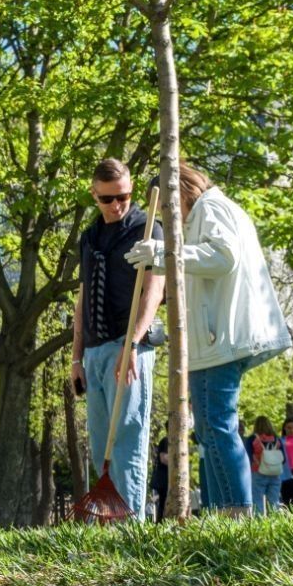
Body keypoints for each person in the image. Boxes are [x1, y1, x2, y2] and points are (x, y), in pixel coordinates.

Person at [126, 164, 290, 516]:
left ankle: (235, 514)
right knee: (210, 432)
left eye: (170, 208)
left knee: (216, 426)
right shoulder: (210, 211)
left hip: (220, 339)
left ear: (180, 191)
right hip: (215, 339)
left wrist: (163, 252)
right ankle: (220, 513)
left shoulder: (210, 208)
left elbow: (223, 257)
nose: (172, 218)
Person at [72, 158, 165, 521]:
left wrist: (133, 343)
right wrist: (76, 358)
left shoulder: (147, 229)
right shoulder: (89, 237)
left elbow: (154, 292)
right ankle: (112, 525)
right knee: (101, 447)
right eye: (108, 199)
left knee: (126, 441)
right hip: (93, 352)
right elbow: (81, 300)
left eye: (123, 196)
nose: (117, 205)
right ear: (94, 195)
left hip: (130, 348)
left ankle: (132, 529)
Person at [248, 416, 284, 516]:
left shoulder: (252, 439)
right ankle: (275, 523)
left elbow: (247, 456)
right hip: (275, 473)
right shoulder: (276, 439)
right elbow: (283, 458)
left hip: (258, 472)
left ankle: (259, 525)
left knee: (257, 501)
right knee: (274, 501)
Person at [150, 434, 169, 521]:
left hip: (167, 478)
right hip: (164, 479)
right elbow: (163, 458)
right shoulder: (166, 440)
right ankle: (161, 522)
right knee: (163, 502)